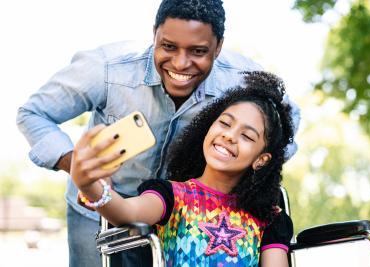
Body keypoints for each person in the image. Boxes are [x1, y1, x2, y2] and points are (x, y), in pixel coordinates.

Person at [16, 0, 300, 266]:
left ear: (218, 47)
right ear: (154, 34)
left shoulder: (241, 80)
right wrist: (79, 168)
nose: (180, 63)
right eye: (168, 46)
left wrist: (249, 181)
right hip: (113, 207)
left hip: (194, 217)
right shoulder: (108, 68)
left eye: (198, 51)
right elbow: (32, 114)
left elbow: (283, 131)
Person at [72, 71, 294, 266]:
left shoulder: (269, 219)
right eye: (225, 123)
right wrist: (89, 186)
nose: (229, 135)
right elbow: (126, 212)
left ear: (261, 160)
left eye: (246, 136)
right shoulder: (172, 195)